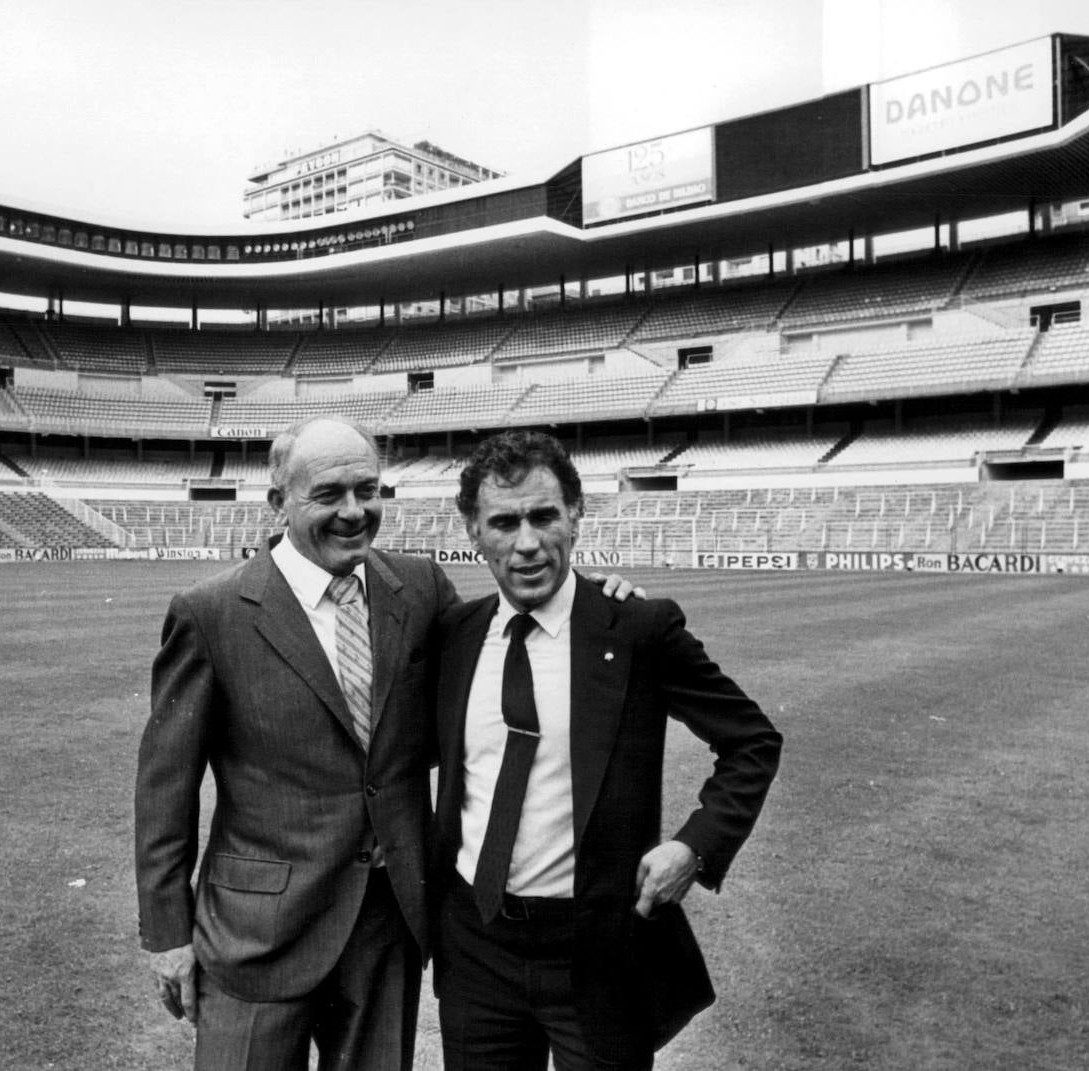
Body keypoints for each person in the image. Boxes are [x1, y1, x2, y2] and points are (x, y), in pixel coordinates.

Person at [134, 416, 638, 1071]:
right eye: (328, 494)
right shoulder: (212, 611)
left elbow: (495, 656)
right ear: (279, 501)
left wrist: (595, 602)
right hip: (255, 933)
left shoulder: (420, 587)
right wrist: (168, 935)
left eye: (367, 490)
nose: (354, 511)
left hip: (385, 924)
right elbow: (165, 787)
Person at [432, 430, 782, 1071]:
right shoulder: (456, 633)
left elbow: (751, 740)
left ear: (576, 514)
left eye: (544, 516)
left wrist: (694, 846)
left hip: (596, 951)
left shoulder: (637, 629)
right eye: (504, 522)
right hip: (476, 948)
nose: (527, 542)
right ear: (473, 531)